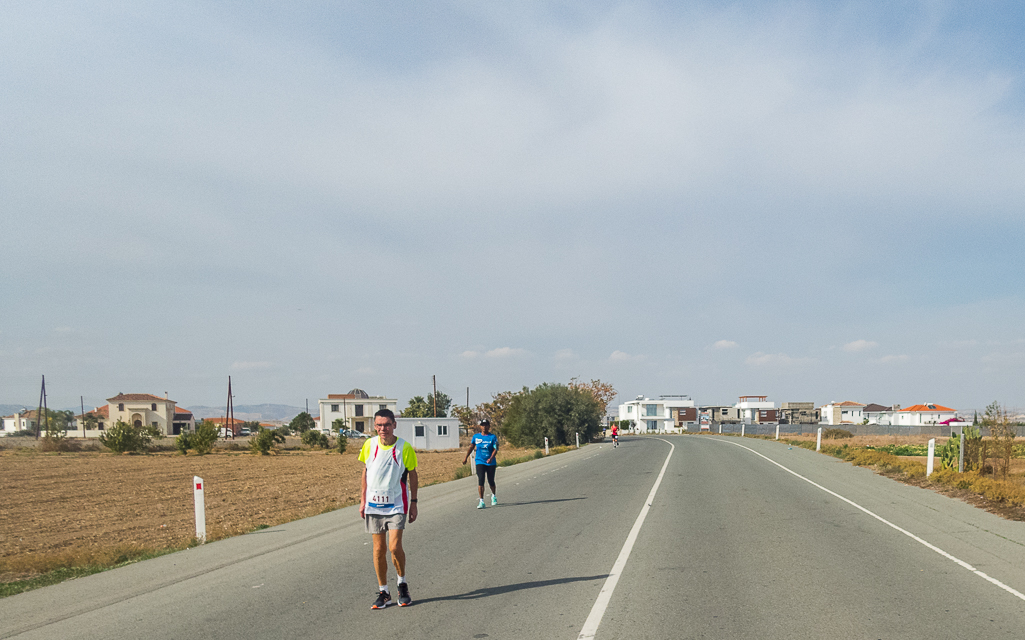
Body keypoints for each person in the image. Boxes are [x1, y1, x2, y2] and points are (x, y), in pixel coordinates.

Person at [359, 409, 418, 608]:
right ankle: (384, 591)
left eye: (387, 424)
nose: (383, 429)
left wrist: (414, 502)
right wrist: (362, 500)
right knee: (378, 549)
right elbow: (366, 472)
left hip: (396, 505)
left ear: (394, 425)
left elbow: (413, 475)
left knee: (394, 547)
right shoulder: (369, 445)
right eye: (379, 425)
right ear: (374, 426)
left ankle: (402, 584)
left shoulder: (404, 447)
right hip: (374, 505)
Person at [463, 418, 498, 509]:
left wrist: (491, 458)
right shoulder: (476, 437)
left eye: (486, 425)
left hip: (490, 463)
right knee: (481, 480)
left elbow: (495, 449)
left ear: (489, 426)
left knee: (491, 480)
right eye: (482, 425)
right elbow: (471, 447)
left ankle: (493, 495)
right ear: (480, 426)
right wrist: (466, 457)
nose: (484, 427)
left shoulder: (492, 437)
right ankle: (481, 501)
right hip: (479, 461)